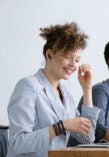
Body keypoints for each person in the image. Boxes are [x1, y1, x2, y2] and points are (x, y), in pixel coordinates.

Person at [6, 22, 100, 157]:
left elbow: (87, 137)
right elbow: (18, 143)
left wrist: (87, 89)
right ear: (49, 54)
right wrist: (62, 126)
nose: (73, 65)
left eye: (77, 59)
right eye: (68, 57)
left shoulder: (65, 94)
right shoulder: (28, 86)